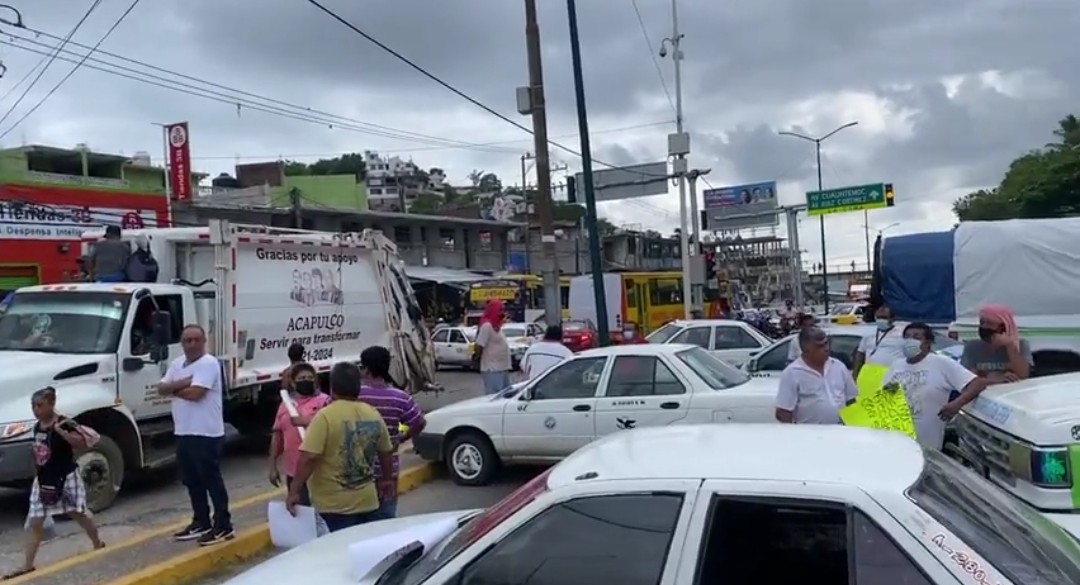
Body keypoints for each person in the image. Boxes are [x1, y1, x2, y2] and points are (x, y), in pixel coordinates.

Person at [4, 387, 104, 579]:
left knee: (79, 514)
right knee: (35, 522)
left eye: (40, 405)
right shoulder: (38, 426)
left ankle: (97, 543)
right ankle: (27, 565)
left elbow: (83, 443)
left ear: (51, 404)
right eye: (33, 406)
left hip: (65, 478)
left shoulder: (64, 423)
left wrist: (62, 432)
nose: (36, 410)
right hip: (44, 480)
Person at [287, 362, 395, 532]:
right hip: (368, 501)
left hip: (334, 506)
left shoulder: (324, 416)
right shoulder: (372, 413)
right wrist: (387, 479)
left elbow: (309, 457)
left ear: (332, 387)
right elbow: (386, 451)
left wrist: (294, 490)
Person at [157, 324, 233, 545]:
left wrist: (174, 387)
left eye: (196, 340)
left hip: (206, 433)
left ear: (204, 341)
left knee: (211, 480)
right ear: (182, 343)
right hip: (184, 431)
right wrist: (185, 381)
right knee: (192, 481)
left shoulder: (209, 363)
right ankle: (201, 521)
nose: (191, 344)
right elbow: (160, 389)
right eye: (187, 341)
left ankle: (223, 525)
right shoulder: (176, 364)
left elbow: (196, 394)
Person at [881, 323, 989, 451]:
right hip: (897, 438)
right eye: (907, 336)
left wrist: (956, 405)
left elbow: (977, 383)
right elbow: (886, 396)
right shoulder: (896, 365)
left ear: (928, 343)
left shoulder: (940, 363)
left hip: (927, 443)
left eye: (916, 337)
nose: (910, 340)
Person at [357, 346, 426, 520]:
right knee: (385, 518)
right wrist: (402, 438)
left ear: (365, 368)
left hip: (356, 468)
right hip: (387, 468)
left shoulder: (355, 394)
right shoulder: (399, 397)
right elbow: (419, 422)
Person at [268, 362, 329, 505]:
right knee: (302, 514)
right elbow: (277, 437)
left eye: (310, 377)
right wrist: (272, 466)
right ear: (293, 383)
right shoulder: (285, 406)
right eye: (301, 379)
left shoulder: (325, 401)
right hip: (294, 472)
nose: (306, 381)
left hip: (320, 471)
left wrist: (304, 421)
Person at [775, 327, 858, 424]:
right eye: (819, 346)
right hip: (809, 434)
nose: (826, 349)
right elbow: (783, 412)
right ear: (806, 350)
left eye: (826, 343)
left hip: (840, 432)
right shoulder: (792, 373)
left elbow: (851, 400)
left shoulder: (839, 366)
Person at [960, 303, 1033, 383]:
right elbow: (966, 380)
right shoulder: (972, 347)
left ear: (1003, 327)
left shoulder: (1021, 344)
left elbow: (1023, 375)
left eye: (989, 323)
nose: (984, 327)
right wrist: (994, 380)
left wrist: (1010, 346)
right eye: (982, 323)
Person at [852, 304, 906, 379]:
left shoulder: (902, 333)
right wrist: (855, 372)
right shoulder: (869, 331)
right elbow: (860, 352)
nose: (880, 320)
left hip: (892, 376)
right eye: (878, 317)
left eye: (884, 318)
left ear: (892, 319)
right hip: (870, 376)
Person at [475, 299, 512, 394]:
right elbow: (479, 345)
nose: (503, 313)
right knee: (495, 398)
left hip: (503, 368)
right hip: (492, 369)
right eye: (500, 310)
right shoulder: (486, 326)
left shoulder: (498, 327)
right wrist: (477, 358)